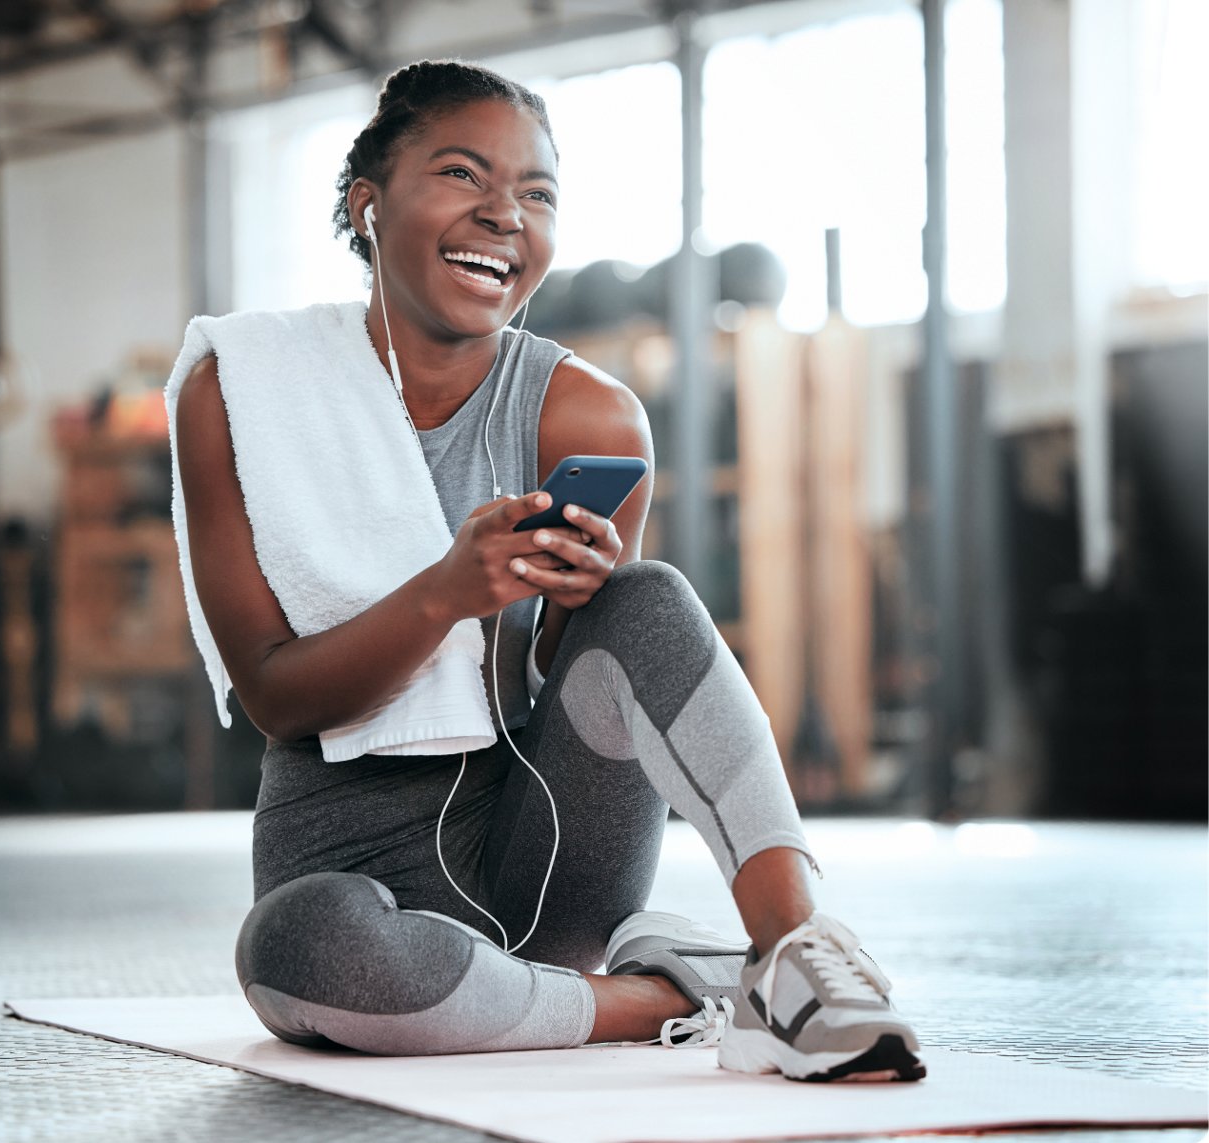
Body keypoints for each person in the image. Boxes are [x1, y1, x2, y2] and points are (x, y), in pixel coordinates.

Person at [167, 58, 924, 1083]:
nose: (502, 216)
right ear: (368, 203)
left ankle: (796, 956)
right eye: (462, 176)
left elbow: (590, 698)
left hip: (545, 864)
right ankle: (656, 998)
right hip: (346, 874)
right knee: (295, 949)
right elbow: (272, 695)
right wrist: (446, 593)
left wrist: (573, 607)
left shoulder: (588, 414)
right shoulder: (242, 390)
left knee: (642, 595)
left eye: (535, 194)